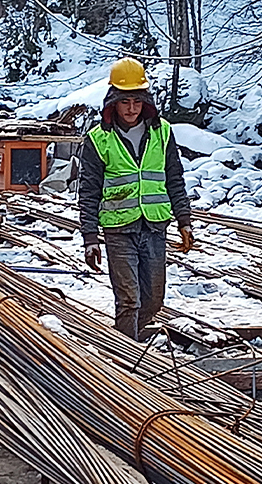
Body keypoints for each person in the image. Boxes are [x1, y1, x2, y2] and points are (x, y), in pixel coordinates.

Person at [79, 57, 194, 342]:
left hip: (154, 227)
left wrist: (184, 221)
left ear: (145, 101)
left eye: (136, 102)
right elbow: (89, 191)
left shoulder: (163, 132)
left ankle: (122, 340)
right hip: (119, 230)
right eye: (125, 102)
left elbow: (174, 179)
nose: (131, 109)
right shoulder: (98, 140)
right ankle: (126, 363)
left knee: (153, 300)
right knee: (129, 300)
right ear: (113, 102)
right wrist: (90, 237)